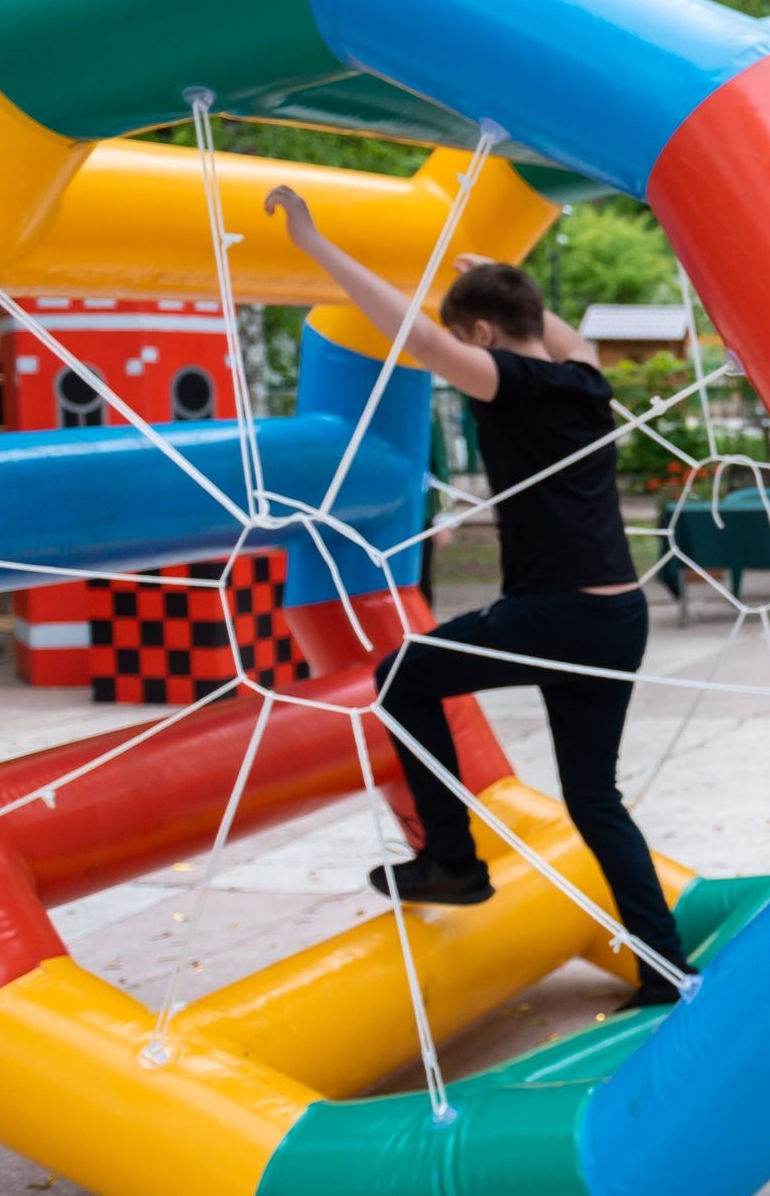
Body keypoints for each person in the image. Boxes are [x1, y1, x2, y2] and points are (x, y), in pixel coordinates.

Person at [267, 187, 693, 1006]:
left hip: (557, 613)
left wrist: (315, 244)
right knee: (594, 798)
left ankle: (453, 861)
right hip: (616, 614)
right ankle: (666, 966)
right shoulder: (584, 378)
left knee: (400, 675)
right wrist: (499, 275)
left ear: (485, 337)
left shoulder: (516, 383)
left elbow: (419, 337)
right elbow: (558, 332)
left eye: (470, 343)